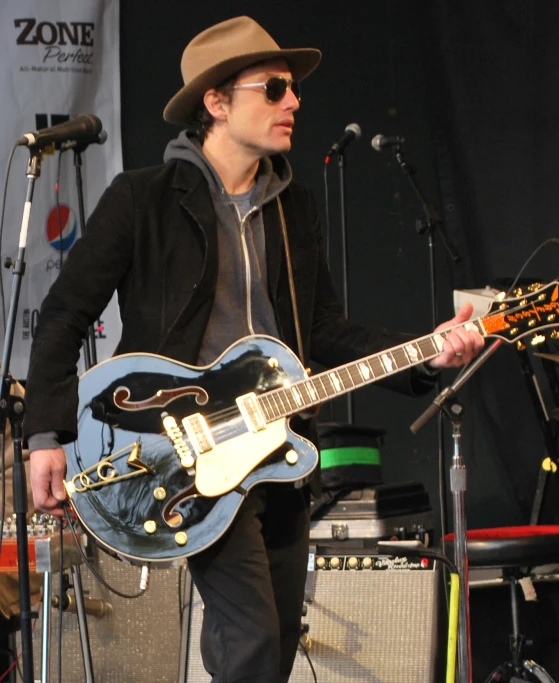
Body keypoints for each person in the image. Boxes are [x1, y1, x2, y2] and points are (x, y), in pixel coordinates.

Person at [24, 15, 484, 683]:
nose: (293, 102)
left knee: (268, 647)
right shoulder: (143, 199)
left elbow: (324, 330)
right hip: (182, 457)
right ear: (216, 102)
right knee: (252, 642)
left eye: (293, 90)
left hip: (278, 453)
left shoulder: (292, 205)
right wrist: (46, 433)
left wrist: (426, 351)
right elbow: (64, 314)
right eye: (273, 89)